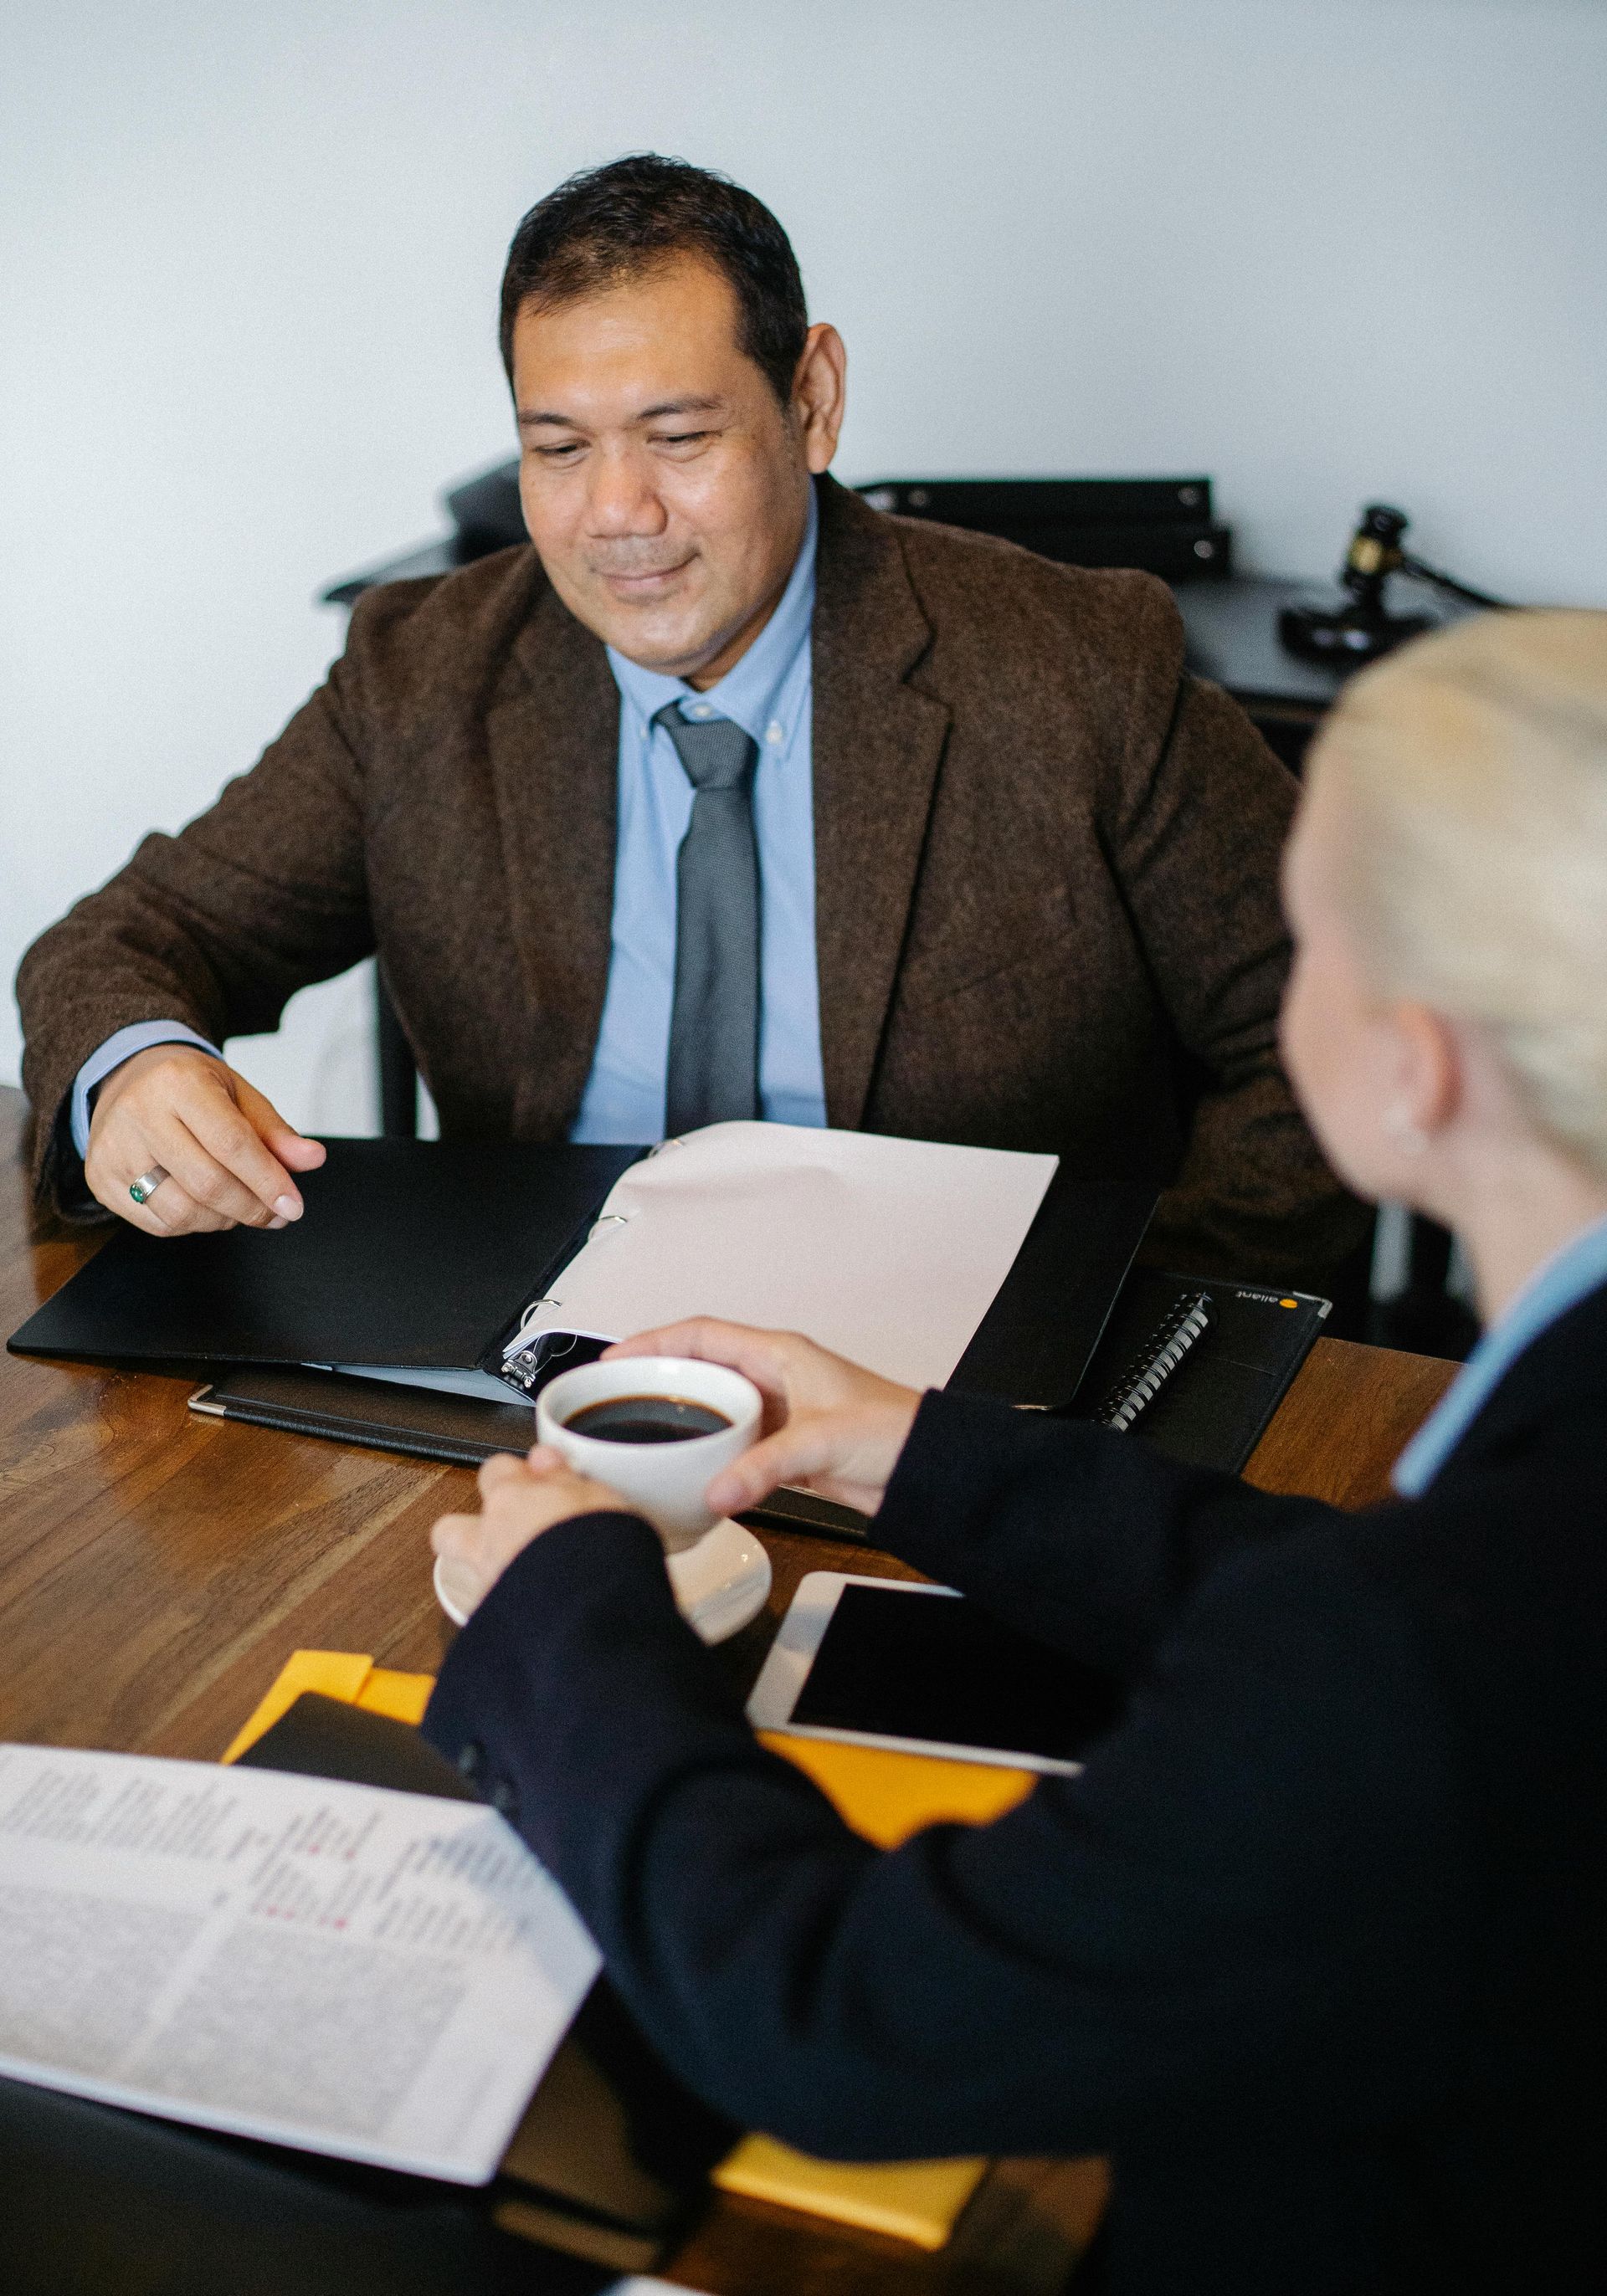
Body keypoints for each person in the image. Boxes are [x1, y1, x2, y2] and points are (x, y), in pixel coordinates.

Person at [420, 609, 1607, 2294]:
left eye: (1310, 936)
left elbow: (836, 2019)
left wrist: (564, 1620)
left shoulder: (1406, 1662)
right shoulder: (1499, 1553)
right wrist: (913, 1450)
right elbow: (1388, 1619)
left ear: (1414, 1066)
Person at [16, 155, 1358, 1287]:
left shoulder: (1077, 669)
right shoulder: (422, 674)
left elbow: (1346, 1037)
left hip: (960, 1403)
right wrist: (136, 1074)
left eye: (677, 436)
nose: (617, 516)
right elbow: (135, 938)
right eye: (558, 448)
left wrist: (1116, 1312)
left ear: (812, 402)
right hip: (547, 1378)